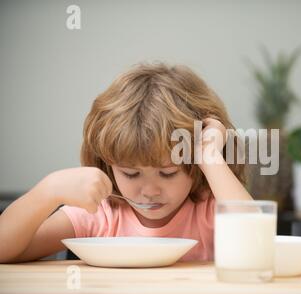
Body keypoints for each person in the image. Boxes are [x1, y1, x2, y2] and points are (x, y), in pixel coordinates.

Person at [0, 63, 253, 263]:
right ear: (108, 165)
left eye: (168, 173)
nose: (150, 190)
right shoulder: (101, 213)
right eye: (131, 173)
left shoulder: (209, 210)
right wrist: (49, 190)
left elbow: (256, 242)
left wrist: (210, 158)